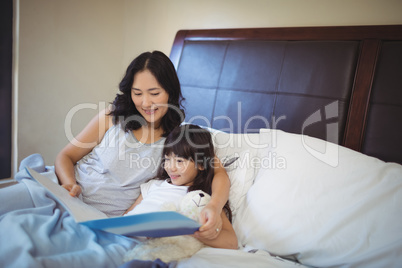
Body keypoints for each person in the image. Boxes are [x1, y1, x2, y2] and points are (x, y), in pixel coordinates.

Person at [54, 51, 230, 238]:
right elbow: (66, 156)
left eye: (154, 93)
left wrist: (214, 206)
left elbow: (219, 173)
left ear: (170, 93)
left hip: (104, 221)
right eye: (137, 93)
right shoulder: (111, 117)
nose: (146, 103)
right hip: (66, 197)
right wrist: (69, 184)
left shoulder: (178, 138)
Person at [124, 124, 238, 249]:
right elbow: (126, 216)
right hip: (123, 238)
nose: (171, 167)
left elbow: (231, 242)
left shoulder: (200, 198)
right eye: (167, 159)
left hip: (149, 248)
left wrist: (191, 232)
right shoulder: (154, 185)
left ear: (201, 164)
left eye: (179, 161)